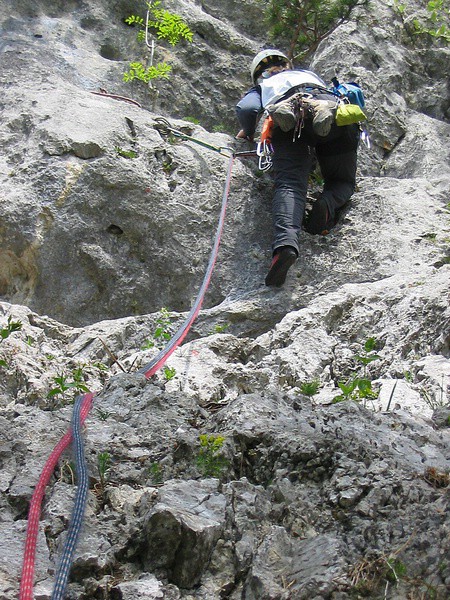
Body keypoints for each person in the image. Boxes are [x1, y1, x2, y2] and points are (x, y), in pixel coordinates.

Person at [236, 49, 360, 287]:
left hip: (292, 120)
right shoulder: (308, 74)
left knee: (290, 185)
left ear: (258, 74)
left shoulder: (265, 84)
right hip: (335, 112)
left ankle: (285, 246)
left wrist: (248, 131)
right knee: (342, 182)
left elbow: (248, 109)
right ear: (287, 64)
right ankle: (327, 203)